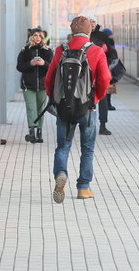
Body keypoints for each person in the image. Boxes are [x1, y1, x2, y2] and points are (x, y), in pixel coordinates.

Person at [45, 15, 111, 202]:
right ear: (89, 31)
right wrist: (96, 98)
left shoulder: (61, 50)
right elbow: (105, 79)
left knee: (63, 146)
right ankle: (83, 188)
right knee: (87, 148)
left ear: (72, 30)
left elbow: (49, 78)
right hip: (88, 108)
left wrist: (54, 99)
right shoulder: (97, 51)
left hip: (65, 107)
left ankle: (60, 173)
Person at [16, 27, 53, 143]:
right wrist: (30, 63)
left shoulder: (48, 51)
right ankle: (32, 132)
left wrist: (44, 63)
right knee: (31, 108)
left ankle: (39, 132)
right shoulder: (24, 50)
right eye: (35, 35)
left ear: (42, 38)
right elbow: (19, 66)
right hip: (28, 85)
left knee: (40, 109)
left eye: (40, 36)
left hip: (43, 85)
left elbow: (52, 68)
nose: (37, 38)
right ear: (31, 37)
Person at [90, 24, 112, 135]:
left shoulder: (103, 36)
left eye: (93, 21)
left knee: (103, 100)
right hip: (87, 74)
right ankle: (89, 124)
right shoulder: (82, 35)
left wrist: (106, 51)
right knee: (89, 100)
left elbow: (112, 53)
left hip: (101, 72)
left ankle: (103, 125)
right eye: (89, 21)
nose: (92, 24)